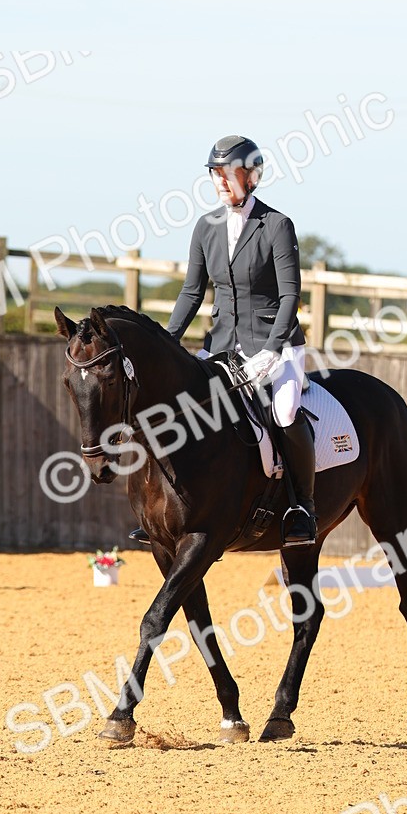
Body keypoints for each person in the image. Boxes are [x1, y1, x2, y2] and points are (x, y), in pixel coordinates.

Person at [131, 134, 316, 546]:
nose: (220, 181)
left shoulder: (276, 226)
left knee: (284, 412)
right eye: (215, 174)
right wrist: (166, 340)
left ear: (251, 176)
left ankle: (302, 507)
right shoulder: (206, 227)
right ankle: (163, 508)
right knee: (181, 406)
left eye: (228, 173)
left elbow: (290, 295)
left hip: (277, 345)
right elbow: (192, 293)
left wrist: (273, 349)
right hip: (222, 346)